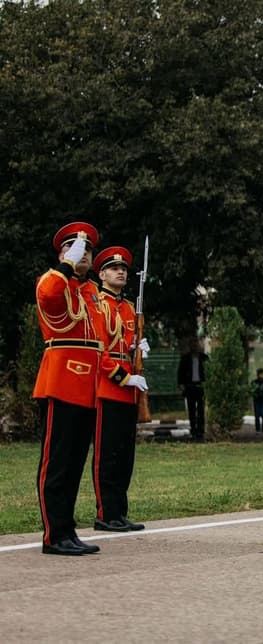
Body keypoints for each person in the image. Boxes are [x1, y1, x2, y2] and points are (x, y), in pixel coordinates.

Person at [32, 222, 105, 555]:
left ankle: (67, 530)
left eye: (87, 250)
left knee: (75, 460)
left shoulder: (89, 291)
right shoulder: (53, 283)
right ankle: (53, 534)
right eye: (77, 249)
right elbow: (47, 294)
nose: (84, 254)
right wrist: (65, 265)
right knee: (58, 460)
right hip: (62, 381)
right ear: (63, 254)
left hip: (87, 385)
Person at [90, 246, 150, 533]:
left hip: (130, 390)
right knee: (107, 454)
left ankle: (120, 512)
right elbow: (100, 353)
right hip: (109, 388)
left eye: (124, 268)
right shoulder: (97, 304)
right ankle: (105, 513)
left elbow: (127, 346)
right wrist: (124, 378)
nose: (121, 272)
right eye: (114, 268)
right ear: (101, 274)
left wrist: (138, 348)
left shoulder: (127, 308)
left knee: (125, 455)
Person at [177, 337, 208, 441]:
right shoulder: (185, 359)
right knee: (191, 410)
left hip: (201, 386)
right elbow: (180, 372)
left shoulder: (204, 358)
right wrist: (181, 384)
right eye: (193, 344)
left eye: (196, 344)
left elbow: (209, 371)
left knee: (201, 410)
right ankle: (193, 430)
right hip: (189, 386)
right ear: (190, 346)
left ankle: (201, 430)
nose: (195, 346)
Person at [251, 368, 263, 434]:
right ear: (257, 375)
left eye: (262, 374)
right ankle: (257, 429)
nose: (261, 375)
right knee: (257, 415)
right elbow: (252, 391)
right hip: (256, 400)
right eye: (260, 374)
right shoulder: (254, 382)